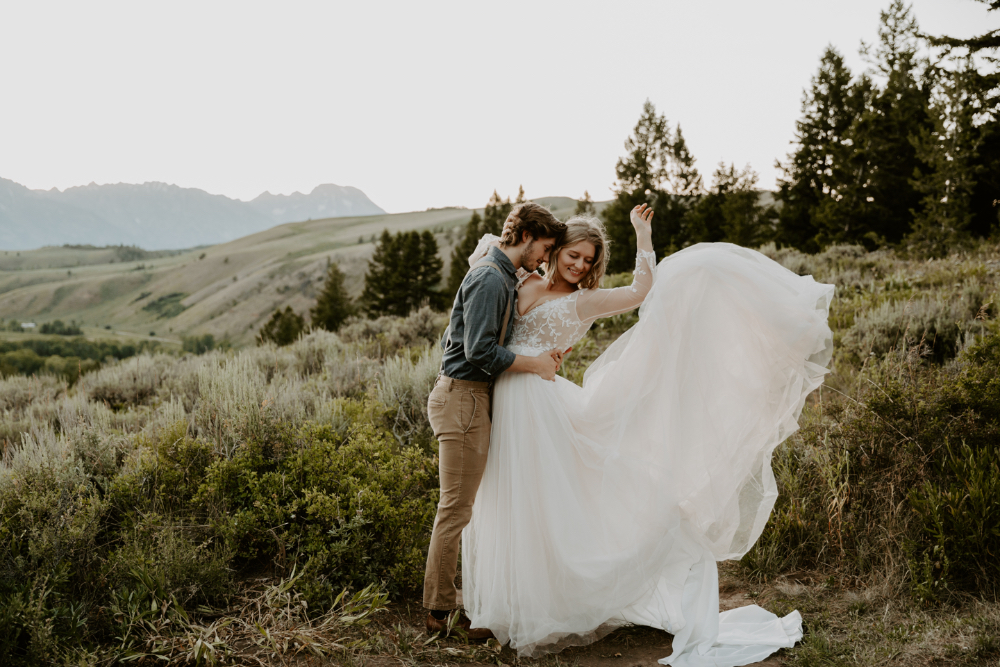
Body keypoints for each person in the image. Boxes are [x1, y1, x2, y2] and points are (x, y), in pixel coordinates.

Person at [462, 204, 834, 666]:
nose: (579, 266)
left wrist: (642, 235)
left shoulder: (586, 300)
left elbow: (642, 291)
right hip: (510, 399)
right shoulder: (527, 283)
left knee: (545, 501)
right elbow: (489, 300)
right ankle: (502, 605)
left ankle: (550, 602)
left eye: (588, 261)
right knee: (509, 499)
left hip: (539, 404)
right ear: (555, 252)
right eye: (573, 256)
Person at [423, 202, 568, 639]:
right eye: (544, 248)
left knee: (464, 507)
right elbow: (479, 352)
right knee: (456, 509)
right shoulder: (490, 278)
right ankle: (439, 611)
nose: (545, 259)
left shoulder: (502, 273)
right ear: (526, 235)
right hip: (463, 398)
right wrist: (534, 364)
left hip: (470, 398)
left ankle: (459, 603)